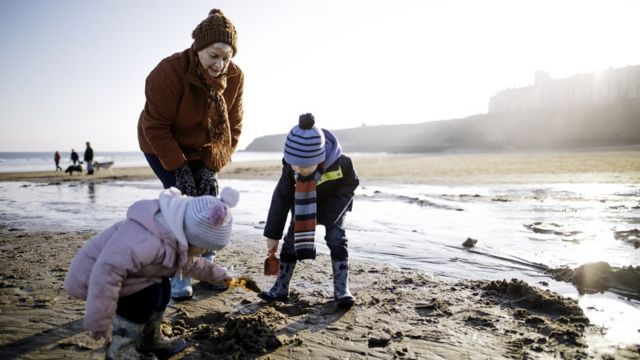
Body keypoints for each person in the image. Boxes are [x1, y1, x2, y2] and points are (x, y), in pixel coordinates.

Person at [137, 8, 244, 300]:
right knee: (182, 207)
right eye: (214, 55)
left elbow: (233, 128)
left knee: (209, 205)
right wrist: (180, 170)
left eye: (227, 57)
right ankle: (180, 274)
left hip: (206, 146)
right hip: (161, 142)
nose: (220, 64)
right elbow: (155, 127)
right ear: (198, 49)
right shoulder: (168, 72)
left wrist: (210, 168)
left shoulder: (235, 77)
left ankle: (205, 267)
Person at [64, 186, 240, 359]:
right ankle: (119, 349)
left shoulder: (175, 236)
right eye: (203, 246)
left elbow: (195, 265)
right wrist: (99, 320)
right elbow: (105, 274)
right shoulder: (144, 240)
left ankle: (149, 338)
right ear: (190, 234)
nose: (203, 252)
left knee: (163, 288)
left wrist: (222, 276)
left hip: (123, 277)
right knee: (146, 295)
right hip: (91, 279)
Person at [257, 113, 360, 308]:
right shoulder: (290, 168)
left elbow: (350, 186)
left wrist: (327, 216)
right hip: (303, 203)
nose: (299, 169)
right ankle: (280, 287)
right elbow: (281, 197)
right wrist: (272, 234)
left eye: (305, 166)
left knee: (336, 238)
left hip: (334, 206)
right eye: (294, 163)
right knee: (290, 241)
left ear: (320, 157)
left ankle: (341, 289)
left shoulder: (342, 163)